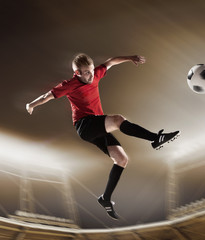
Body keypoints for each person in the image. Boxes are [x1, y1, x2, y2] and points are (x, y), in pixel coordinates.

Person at [26, 54, 179, 220]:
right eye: (86, 73)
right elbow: (47, 96)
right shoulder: (69, 84)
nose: (91, 76)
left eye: (91, 71)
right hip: (84, 125)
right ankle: (156, 139)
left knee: (121, 159)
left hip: (97, 126)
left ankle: (105, 199)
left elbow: (111, 62)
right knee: (118, 120)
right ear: (77, 72)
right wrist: (31, 104)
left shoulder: (96, 73)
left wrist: (130, 58)